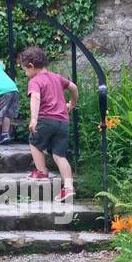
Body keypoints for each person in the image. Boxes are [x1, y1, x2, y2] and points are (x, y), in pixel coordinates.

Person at [19, 46, 78, 202]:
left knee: (34, 142)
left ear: (31, 66)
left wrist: (33, 119)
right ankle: (69, 188)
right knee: (60, 155)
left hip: (46, 119)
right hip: (63, 121)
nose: (25, 73)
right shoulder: (56, 77)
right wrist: (71, 103)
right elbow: (74, 87)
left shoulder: (35, 81)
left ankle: (41, 172)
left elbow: (35, 98)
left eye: (25, 70)